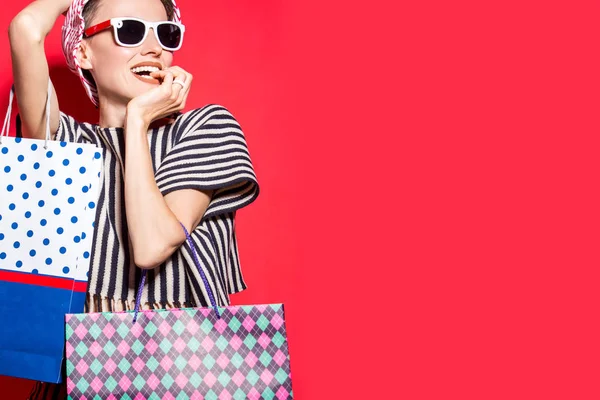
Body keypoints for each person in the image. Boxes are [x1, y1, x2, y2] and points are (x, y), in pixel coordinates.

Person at [8, 0, 259, 397]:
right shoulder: (66, 143)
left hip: (187, 372)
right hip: (77, 377)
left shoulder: (205, 127)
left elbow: (151, 245)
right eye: (129, 30)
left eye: (166, 33)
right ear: (82, 52)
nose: (154, 48)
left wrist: (138, 121)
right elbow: (25, 28)